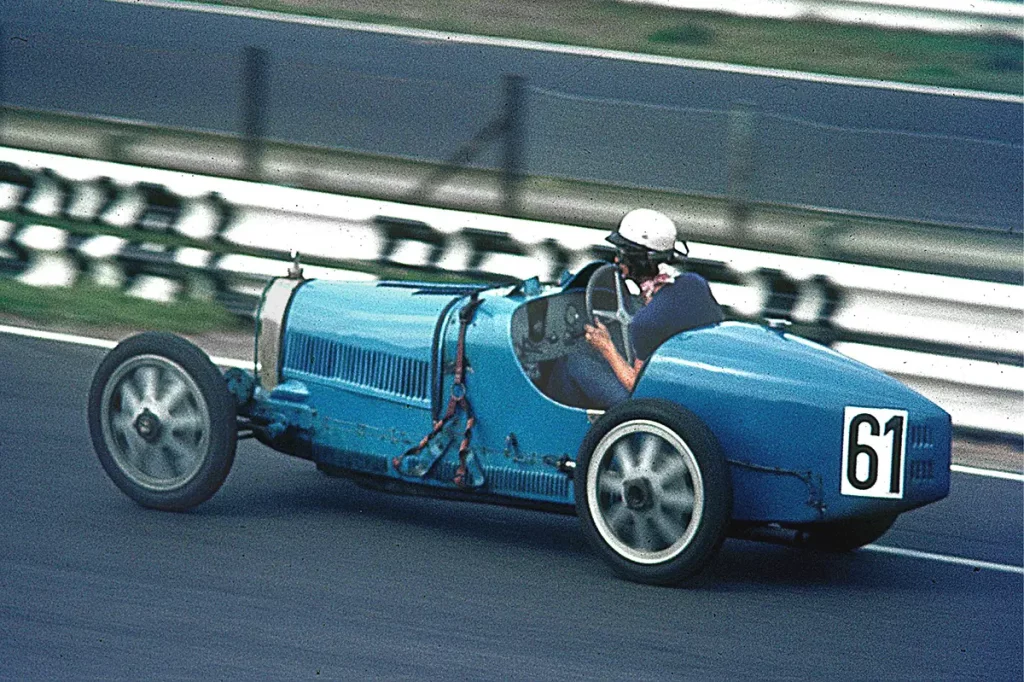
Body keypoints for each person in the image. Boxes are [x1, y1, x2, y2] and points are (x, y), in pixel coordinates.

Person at [547, 209, 724, 409]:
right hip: (695, 388)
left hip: (655, 406)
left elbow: (638, 387)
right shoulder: (695, 283)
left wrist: (606, 346)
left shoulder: (646, 322)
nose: (616, 260)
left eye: (622, 255)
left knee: (574, 361)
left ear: (639, 260)